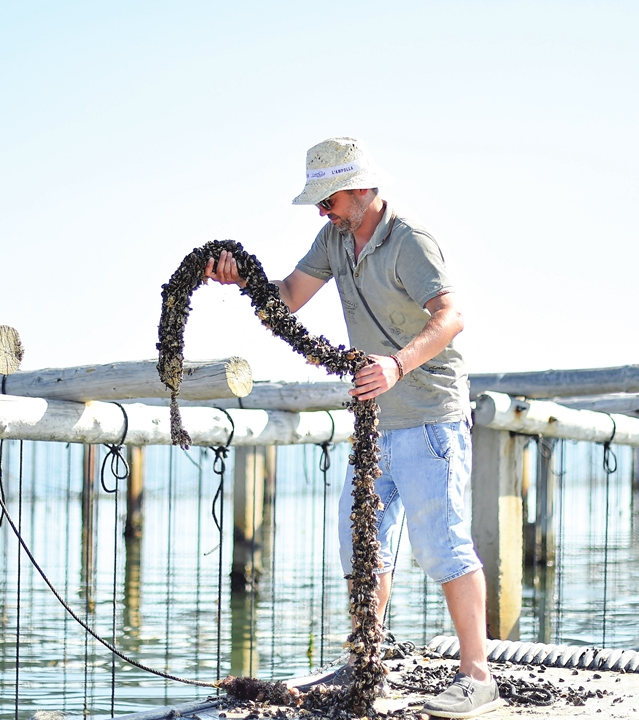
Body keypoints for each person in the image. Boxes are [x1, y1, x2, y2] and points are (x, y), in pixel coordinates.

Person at [204, 137, 501, 718]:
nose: (322, 210)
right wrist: (244, 279)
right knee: (359, 547)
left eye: (329, 198)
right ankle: (369, 664)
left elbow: (453, 316)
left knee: (442, 545)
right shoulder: (333, 238)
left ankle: (478, 677)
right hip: (374, 423)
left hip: (429, 417)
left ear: (362, 187)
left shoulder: (409, 241)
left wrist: (395, 364)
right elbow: (288, 297)